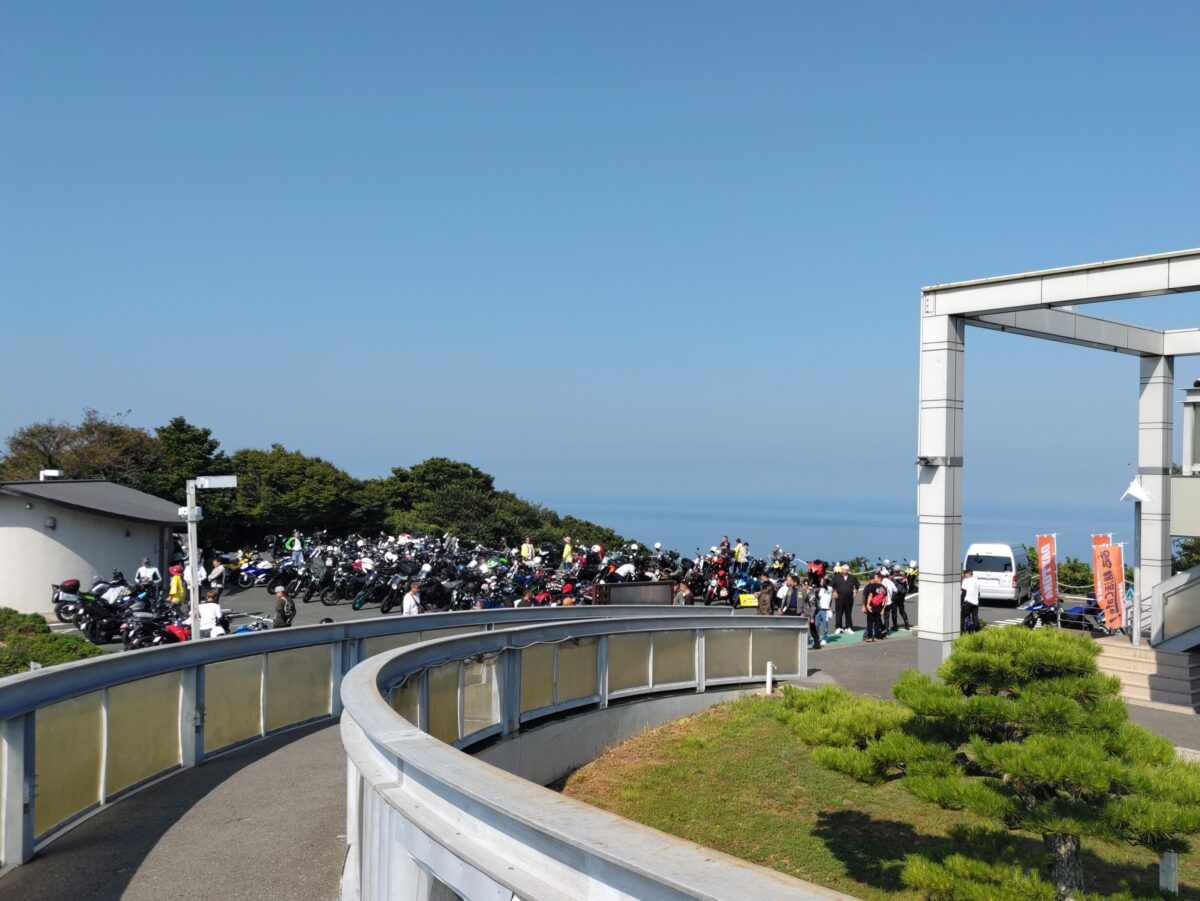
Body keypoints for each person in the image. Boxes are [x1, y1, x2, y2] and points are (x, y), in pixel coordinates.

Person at [831, 564, 859, 633]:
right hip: (839, 597)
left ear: (848, 570)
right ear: (841, 570)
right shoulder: (836, 577)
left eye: (846, 570)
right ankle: (838, 627)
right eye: (844, 569)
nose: (845, 571)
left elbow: (857, 585)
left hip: (849, 598)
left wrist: (855, 592)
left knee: (848, 613)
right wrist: (834, 592)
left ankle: (848, 627)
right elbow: (831, 586)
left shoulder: (852, 577)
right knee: (839, 613)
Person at [861, 572, 888, 642]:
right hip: (879, 608)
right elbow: (886, 599)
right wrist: (883, 609)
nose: (874, 579)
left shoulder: (873, 586)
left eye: (875, 577)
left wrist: (867, 605)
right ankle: (876, 637)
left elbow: (870, 595)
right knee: (877, 622)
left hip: (871, 606)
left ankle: (870, 637)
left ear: (879, 578)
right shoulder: (884, 588)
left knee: (870, 622)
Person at [887, 565, 911, 631]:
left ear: (894, 570)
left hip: (894, 596)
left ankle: (895, 626)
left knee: (894, 612)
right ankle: (907, 625)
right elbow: (907, 586)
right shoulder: (904, 577)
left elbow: (889, 586)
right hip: (901, 596)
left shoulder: (891, 577)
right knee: (902, 611)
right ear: (900, 570)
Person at [814, 576, 833, 644]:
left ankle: (824, 638)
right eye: (821, 581)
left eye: (823, 581)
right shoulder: (819, 589)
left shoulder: (829, 588)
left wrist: (823, 578)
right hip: (818, 610)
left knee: (825, 625)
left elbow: (824, 585)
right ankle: (816, 638)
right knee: (816, 625)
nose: (821, 582)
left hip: (825, 610)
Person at [961, 569, 980, 633]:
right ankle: (976, 631)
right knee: (975, 617)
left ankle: (962, 631)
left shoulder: (966, 581)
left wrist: (961, 603)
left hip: (967, 602)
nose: (964, 575)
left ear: (967, 574)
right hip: (975, 602)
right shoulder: (977, 581)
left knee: (963, 617)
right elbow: (979, 593)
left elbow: (963, 592)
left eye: (964, 574)